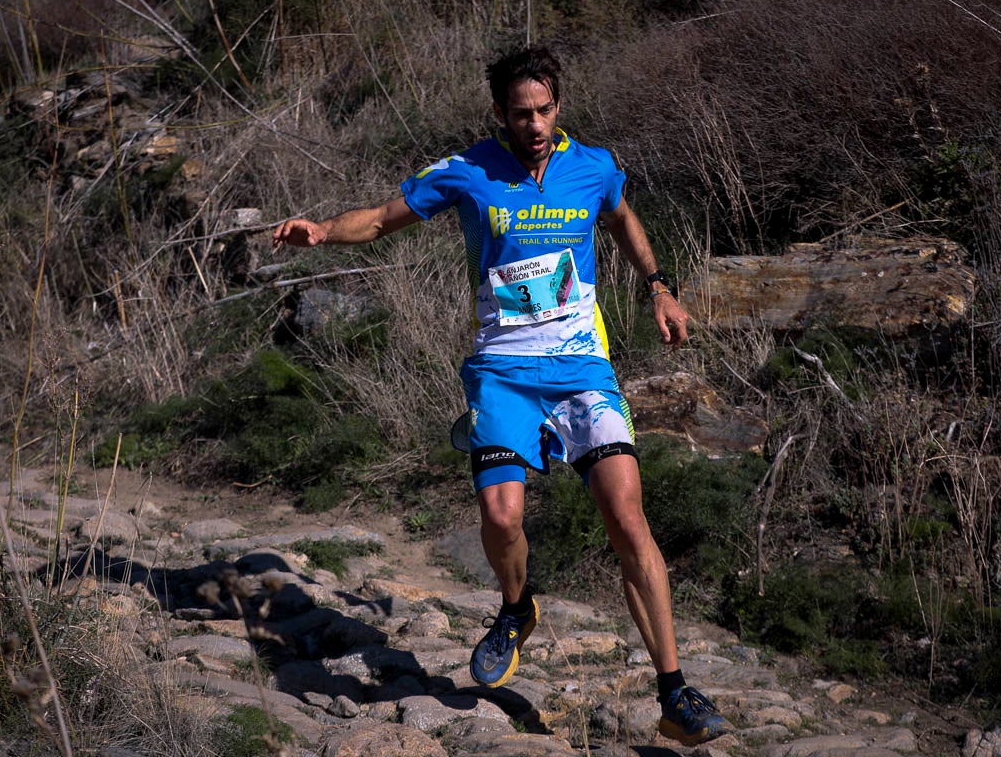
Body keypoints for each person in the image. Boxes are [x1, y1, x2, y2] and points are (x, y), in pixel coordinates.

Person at [273, 45, 728, 746]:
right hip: (503, 373)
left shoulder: (594, 166)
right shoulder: (467, 172)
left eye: (545, 110)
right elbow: (385, 218)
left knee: (627, 518)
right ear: (500, 115)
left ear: (559, 107)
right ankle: (517, 607)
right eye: (522, 113)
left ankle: (674, 692)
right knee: (501, 513)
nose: (536, 124)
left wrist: (660, 287)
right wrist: (323, 231)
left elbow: (623, 219)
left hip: (582, 371)